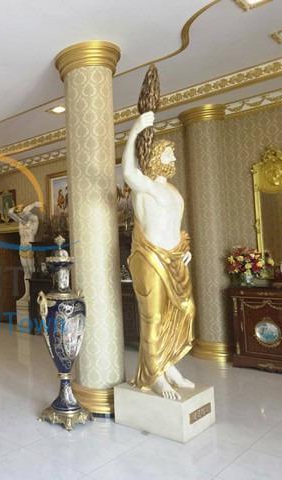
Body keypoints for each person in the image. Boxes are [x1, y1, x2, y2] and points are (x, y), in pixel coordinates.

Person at [122, 111, 195, 400]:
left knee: (182, 310)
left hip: (174, 258)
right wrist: (135, 130)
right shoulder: (145, 187)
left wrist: (184, 249)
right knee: (152, 317)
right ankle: (154, 376)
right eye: (167, 154)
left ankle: (167, 364)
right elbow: (129, 172)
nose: (172, 158)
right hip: (150, 259)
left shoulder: (173, 190)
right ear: (154, 157)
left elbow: (174, 226)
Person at [8, 201, 42, 302]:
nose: (19, 216)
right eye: (18, 214)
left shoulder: (34, 220)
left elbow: (26, 212)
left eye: (21, 214)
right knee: (26, 271)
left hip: (30, 247)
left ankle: (33, 293)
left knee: (32, 271)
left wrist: (33, 204)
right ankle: (27, 293)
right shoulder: (20, 221)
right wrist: (17, 209)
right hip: (22, 247)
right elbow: (10, 212)